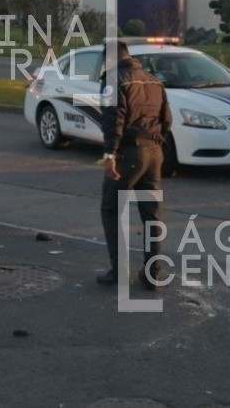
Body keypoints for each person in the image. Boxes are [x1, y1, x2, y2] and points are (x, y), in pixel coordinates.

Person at [97, 42, 172, 290]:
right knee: (151, 214)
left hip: (129, 152)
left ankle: (118, 272)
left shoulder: (114, 80)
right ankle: (153, 274)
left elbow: (113, 118)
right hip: (154, 152)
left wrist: (110, 154)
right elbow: (167, 120)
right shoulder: (154, 80)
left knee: (111, 209)